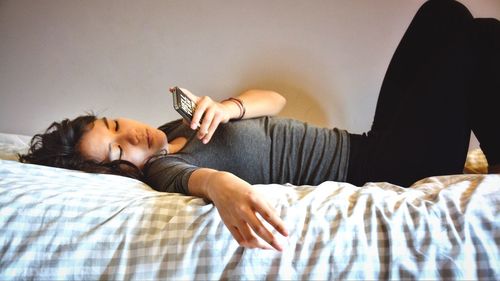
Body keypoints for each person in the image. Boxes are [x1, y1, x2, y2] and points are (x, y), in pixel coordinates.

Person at [19, 0, 499, 252]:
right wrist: (227, 191)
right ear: (120, 174)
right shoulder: (163, 169)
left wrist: (229, 107)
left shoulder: (178, 121)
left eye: (117, 124)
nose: (134, 135)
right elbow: (205, 181)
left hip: (376, 140)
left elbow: (277, 99)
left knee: (462, 24)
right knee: (460, 27)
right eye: (118, 151)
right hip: (394, 165)